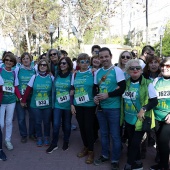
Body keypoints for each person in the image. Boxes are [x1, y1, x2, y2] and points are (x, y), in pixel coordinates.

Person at [93, 47, 126, 170]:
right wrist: (95, 97)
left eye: (106, 56)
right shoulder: (98, 72)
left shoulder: (117, 70)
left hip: (114, 108)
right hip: (101, 108)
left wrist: (108, 95)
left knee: (115, 135)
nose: (104, 59)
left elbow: (122, 88)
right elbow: (95, 88)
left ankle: (115, 159)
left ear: (111, 56)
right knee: (104, 133)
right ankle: (105, 155)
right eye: (101, 57)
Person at [122, 59, 158, 170]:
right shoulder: (126, 83)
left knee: (134, 143)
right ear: (128, 70)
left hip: (140, 120)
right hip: (128, 118)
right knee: (132, 142)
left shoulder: (148, 83)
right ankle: (138, 164)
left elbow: (154, 101)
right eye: (132, 68)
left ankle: (129, 164)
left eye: (137, 68)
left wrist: (144, 108)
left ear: (141, 70)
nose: (135, 70)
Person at [21, 59, 54, 147]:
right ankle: (39, 137)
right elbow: (28, 89)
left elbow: (56, 89)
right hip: (35, 104)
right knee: (38, 121)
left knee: (47, 122)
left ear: (47, 67)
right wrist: (23, 100)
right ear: (38, 67)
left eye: (44, 65)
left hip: (48, 104)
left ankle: (46, 137)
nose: (42, 66)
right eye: (41, 65)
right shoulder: (34, 77)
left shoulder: (51, 77)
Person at [71, 53, 96, 164]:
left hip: (90, 105)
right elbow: (72, 90)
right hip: (78, 105)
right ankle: (85, 147)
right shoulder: (75, 74)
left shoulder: (93, 72)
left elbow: (97, 86)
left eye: (87, 61)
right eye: (82, 61)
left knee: (88, 127)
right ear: (78, 63)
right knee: (82, 127)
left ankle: (91, 151)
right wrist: (72, 104)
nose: (85, 64)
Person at [46, 57, 73, 153]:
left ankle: (66, 141)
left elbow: (74, 89)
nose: (62, 65)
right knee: (56, 124)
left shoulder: (72, 75)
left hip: (68, 105)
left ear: (69, 65)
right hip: (57, 104)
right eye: (61, 63)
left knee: (67, 125)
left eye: (64, 63)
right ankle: (54, 144)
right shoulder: (56, 74)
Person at [150, 57, 170, 170]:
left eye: (168, 66)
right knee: (159, 142)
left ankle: (164, 166)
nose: (164, 68)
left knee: (163, 141)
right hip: (157, 117)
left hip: (168, 118)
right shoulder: (156, 80)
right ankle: (162, 164)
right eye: (162, 66)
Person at [0, 52, 22, 150]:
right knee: (1, 123)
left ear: (13, 62)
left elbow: (16, 87)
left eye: (11, 60)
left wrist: (21, 98)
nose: (8, 62)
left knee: (9, 122)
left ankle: (7, 140)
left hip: (11, 101)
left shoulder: (14, 73)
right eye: (7, 60)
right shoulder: (0, 71)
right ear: (4, 61)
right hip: (1, 101)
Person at [15, 52, 36, 143]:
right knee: (21, 118)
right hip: (20, 97)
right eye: (23, 59)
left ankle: (31, 134)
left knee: (32, 117)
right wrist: (20, 98)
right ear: (21, 60)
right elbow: (15, 84)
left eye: (27, 58)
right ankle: (23, 135)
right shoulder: (18, 69)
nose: (25, 60)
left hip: (31, 97)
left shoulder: (34, 70)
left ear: (30, 60)